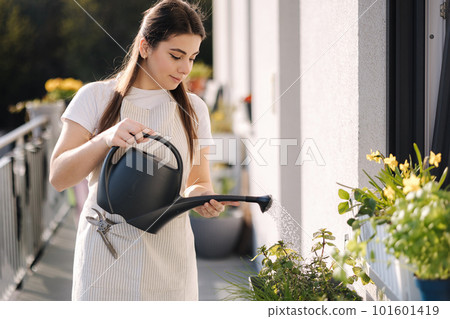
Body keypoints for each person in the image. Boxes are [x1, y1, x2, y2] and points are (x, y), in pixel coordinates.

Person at [49, 0, 238, 301]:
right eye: (176, 55)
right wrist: (105, 139)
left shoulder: (196, 110)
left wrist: (203, 199)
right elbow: (59, 177)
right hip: (105, 255)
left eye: (192, 57)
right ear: (145, 46)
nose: (185, 69)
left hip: (169, 259)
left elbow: (198, 181)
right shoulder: (95, 98)